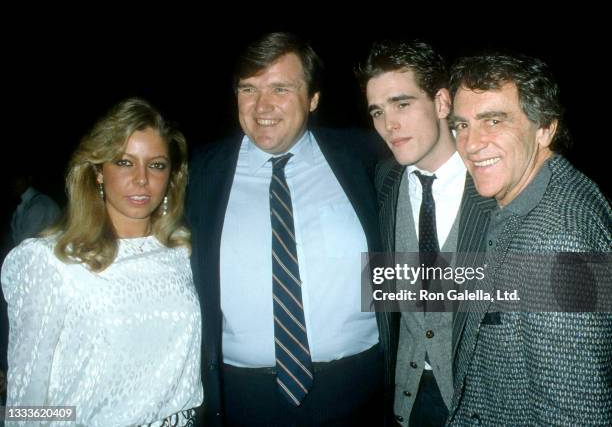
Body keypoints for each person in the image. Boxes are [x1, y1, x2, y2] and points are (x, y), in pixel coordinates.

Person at [187, 32, 395, 426]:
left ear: (313, 99)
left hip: (359, 389)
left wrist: (532, 282)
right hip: (241, 399)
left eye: (280, 88)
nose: (262, 105)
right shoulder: (198, 175)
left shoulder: (368, 158)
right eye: (248, 89)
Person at [1, 98, 203, 426]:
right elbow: (25, 405)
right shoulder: (51, 262)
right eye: (124, 162)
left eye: (156, 165)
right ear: (98, 171)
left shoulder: (181, 252)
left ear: (171, 176)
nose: (141, 179)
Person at [447, 52, 612, 425]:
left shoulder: (559, 242)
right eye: (462, 125)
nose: (471, 144)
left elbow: (574, 416)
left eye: (494, 120)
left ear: (545, 128)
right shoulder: (530, 194)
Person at [356, 40, 495, 426]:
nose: (389, 124)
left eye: (402, 104)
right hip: (404, 400)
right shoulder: (382, 184)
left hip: (481, 404)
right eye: (378, 111)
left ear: (441, 103)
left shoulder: (495, 186)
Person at [9, 172, 61, 246]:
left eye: (17, 178)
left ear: (29, 179)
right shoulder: (24, 204)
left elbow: (23, 242)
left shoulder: (39, 204)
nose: (13, 183)